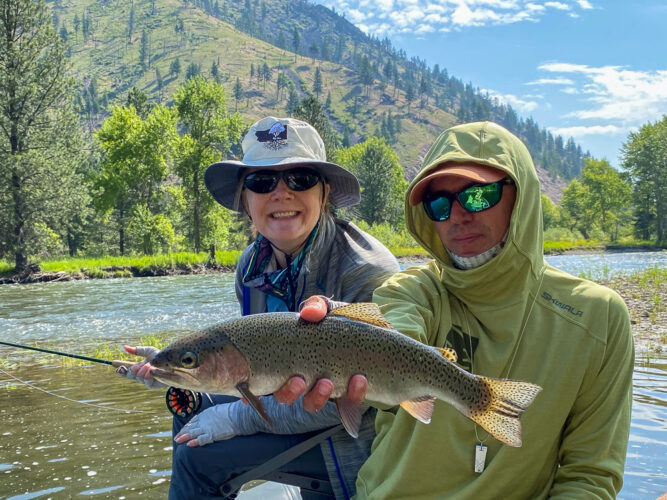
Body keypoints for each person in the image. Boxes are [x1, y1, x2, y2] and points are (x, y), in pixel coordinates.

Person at [303, 121, 634, 499]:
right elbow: (395, 338)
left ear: (521, 196)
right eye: (439, 204)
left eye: (478, 196)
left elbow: (589, 477)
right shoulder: (412, 290)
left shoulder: (598, 317)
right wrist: (339, 330)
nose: (457, 216)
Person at [118, 116, 399, 499]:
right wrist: (178, 369)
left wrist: (237, 417)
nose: (281, 193)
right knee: (189, 411)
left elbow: (357, 402)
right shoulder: (252, 265)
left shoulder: (367, 269)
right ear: (246, 202)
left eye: (299, 178)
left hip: (355, 440)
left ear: (325, 192)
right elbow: (252, 368)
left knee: (194, 458)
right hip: (294, 411)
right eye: (262, 182)